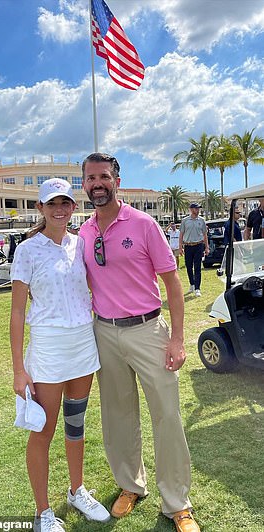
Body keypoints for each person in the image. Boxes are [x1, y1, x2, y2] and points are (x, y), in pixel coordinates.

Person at [79, 153, 200, 532]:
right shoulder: (84, 231)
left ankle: (177, 502)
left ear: (117, 180)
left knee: (166, 415)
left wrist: (177, 339)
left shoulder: (144, 224)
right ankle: (131, 486)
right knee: (118, 416)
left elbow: (173, 284)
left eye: (104, 176)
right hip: (105, 333)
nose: (97, 183)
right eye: (90, 178)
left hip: (148, 331)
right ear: (83, 184)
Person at [10, 178, 110, 532]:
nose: (59, 209)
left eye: (65, 202)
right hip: (49, 349)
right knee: (43, 430)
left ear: (72, 206)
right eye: (51, 203)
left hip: (83, 343)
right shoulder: (27, 250)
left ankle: (76, 490)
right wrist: (19, 369)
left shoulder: (80, 244)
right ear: (40, 208)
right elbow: (18, 312)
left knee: (76, 424)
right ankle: (43, 513)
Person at [179, 203, 209, 297]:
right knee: (188, 266)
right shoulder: (185, 221)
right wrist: (180, 247)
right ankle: (192, 284)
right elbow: (181, 234)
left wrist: (207, 247)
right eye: (196, 208)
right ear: (191, 209)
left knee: (197, 267)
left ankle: (197, 288)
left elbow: (205, 235)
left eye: (198, 208)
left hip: (198, 245)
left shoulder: (202, 220)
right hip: (188, 246)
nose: (198, 210)